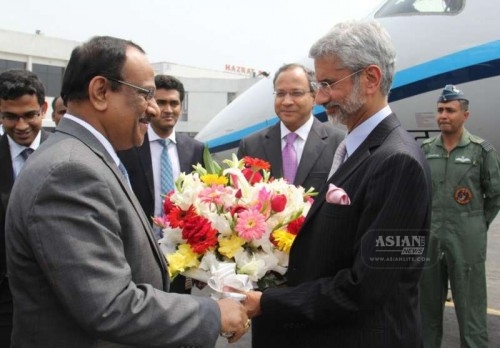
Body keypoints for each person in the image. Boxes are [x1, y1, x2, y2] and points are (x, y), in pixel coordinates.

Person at [5, 36, 249, 347]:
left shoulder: (86, 158)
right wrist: (213, 313)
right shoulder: (69, 172)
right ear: (101, 92)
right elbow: (109, 305)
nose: (153, 108)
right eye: (146, 94)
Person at [242, 20, 432, 348]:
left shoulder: (398, 161)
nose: (320, 98)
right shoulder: (355, 148)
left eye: (329, 84)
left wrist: (269, 302)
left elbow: (365, 288)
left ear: (370, 79)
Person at [419, 84, 500, 348]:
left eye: (450, 110)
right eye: (440, 110)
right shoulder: (425, 149)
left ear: (465, 115)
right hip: (430, 238)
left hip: (466, 239)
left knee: (471, 308)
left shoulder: (481, 151)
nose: (443, 115)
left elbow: (495, 195)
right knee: (426, 306)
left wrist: (477, 224)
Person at [118, 74, 204, 294]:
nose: (168, 109)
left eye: (174, 103)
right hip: (138, 256)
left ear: (181, 107)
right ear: (150, 105)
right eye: (161, 102)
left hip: (181, 257)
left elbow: (202, 204)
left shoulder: (195, 149)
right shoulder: (129, 146)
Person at [0, 69, 50, 347]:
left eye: (29, 115)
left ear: (43, 109)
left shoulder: (69, 151)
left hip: (57, 293)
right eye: (10, 117)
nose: (20, 126)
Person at [237, 63, 344, 192]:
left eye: (296, 93)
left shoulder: (339, 144)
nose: (287, 102)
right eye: (280, 94)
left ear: (315, 96)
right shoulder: (251, 146)